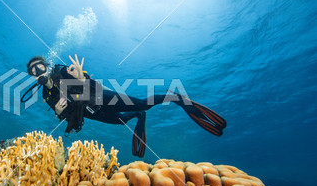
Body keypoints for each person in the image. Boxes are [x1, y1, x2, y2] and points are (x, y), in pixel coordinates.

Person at [23, 54, 226, 157]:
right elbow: (64, 116)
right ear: (32, 76)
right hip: (92, 113)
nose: (38, 71)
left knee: (143, 103)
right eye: (33, 71)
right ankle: (139, 116)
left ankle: (176, 98)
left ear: (47, 66)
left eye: (40, 66)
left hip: (103, 98)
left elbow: (91, 86)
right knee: (123, 121)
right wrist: (59, 112)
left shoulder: (64, 72)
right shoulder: (46, 94)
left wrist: (80, 78)